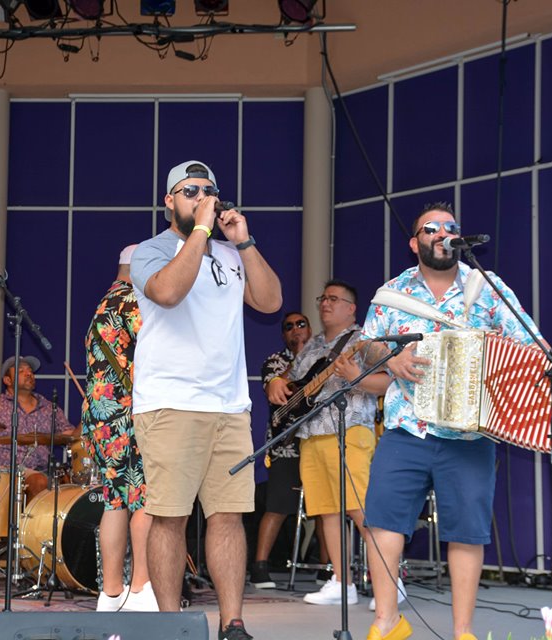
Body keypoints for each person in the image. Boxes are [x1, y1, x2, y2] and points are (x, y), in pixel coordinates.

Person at [360, 202, 552, 640]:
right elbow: (367, 345)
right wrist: (393, 358)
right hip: (407, 426)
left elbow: (532, 346)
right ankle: (387, 623)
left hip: (471, 433)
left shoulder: (486, 287)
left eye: (450, 227)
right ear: (414, 242)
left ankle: (463, 631)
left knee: (467, 531)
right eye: (431, 228)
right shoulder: (392, 292)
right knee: (383, 522)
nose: (442, 233)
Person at [130, 160, 282, 640]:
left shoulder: (231, 253)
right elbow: (168, 293)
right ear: (168, 201)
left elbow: (270, 301)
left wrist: (244, 242)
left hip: (229, 406)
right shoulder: (151, 251)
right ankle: (171, 626)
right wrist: (199, 230)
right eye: (189, 190)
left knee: (229, 516)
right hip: (170, 403)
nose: (201, 197)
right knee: (170, 518)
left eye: (207, 190)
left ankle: (232, 623)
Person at [267, 280, 383, 607]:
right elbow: (293, 380)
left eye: (334, 299)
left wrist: (355, 378)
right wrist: (276, 381)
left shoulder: (366, 341)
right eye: (323, 298)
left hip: (349, 430)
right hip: (311, 434)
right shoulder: (313, 344)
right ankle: (342, 582)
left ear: (351, 308)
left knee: (359, 509)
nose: (325, 304)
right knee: (327, 511)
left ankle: (390, 581)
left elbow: (389, 382)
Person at [81, 244, 158, 612]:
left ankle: (111, 592)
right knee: (143, 496)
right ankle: (142, 587)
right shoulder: (131, 301)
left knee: (115, 499)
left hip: (101, 414)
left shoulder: (103, 304)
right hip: (126, 411)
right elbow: (157, 347)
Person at [249, 311, 313, 589]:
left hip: (316, 438)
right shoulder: (274, 362)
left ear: (310, 328)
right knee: (277, 505)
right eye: (289, 327)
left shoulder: (324, 357)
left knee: (327, 507)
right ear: (283, 334)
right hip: (285, 444)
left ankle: (329, 570)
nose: (296, 329)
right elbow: (278, 393)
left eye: (301, 324)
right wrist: (299, 358)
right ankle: (260, 567)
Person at [0, 356, 75, 503]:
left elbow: (70, 436)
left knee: (61, 485)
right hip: (2, 474)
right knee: (39, 482)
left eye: (30, 371)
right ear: (7, 380)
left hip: (41, 471)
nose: (29, 374)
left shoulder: (49, 409)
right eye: (21, 371)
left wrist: (88, 416)